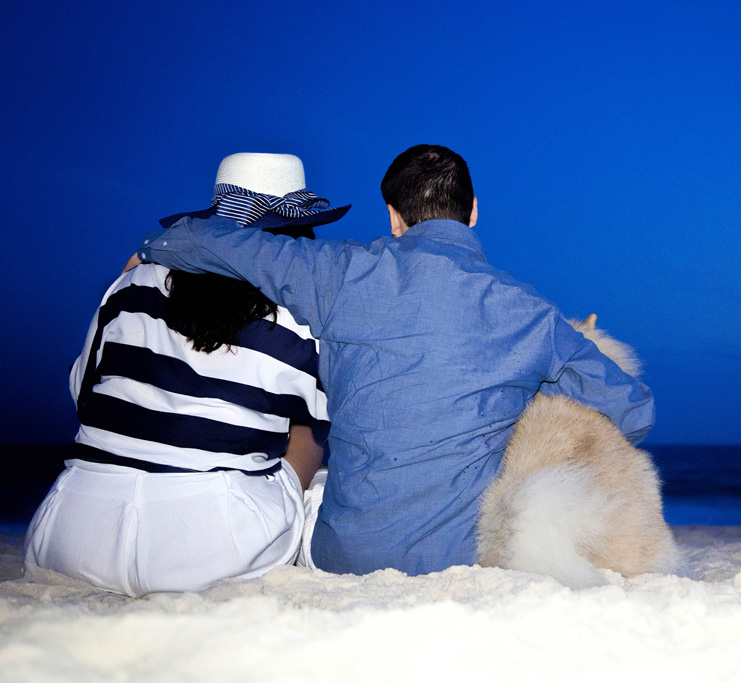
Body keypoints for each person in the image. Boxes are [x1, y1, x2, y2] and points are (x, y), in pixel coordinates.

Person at [133, 144, 655, 576]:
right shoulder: (529, 315)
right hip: (455, 562)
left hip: (341, 557)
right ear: (473, 210)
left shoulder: (336, 272)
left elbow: (207, 241)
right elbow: (634, 412)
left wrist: (149, 251)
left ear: (394, 218)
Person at [25, 153, 342, 596]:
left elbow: (82, 395)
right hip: (210, 544)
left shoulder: (131, 283)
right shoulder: (295, 318)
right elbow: (332, 425)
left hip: (73, 534)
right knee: (314, 426)